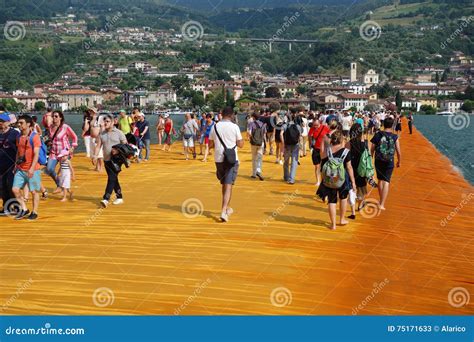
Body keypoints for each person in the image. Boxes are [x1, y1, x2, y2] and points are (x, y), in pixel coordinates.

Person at [209, 106, 244, 222]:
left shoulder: (215, 126)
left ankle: (227, 208)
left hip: (218, 158)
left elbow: (210, 144)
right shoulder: (234, 127)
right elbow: (240, 144)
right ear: (232, 115)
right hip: (231, 159)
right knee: (228, 185)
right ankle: (224, 211)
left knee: (224, 184)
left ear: (221, 114)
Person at [317, 130, 356, 230]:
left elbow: (322, 159)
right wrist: (353, 182)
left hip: (330, 179)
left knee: (332, 200)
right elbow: (349, 167)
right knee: (343, 198)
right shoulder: (346, 152)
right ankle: (342, 219)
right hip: (342, 179)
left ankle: (333, 224)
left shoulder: (327, 151)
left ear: (332, 140)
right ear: (341, 140)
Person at [12, 115, 42, 220]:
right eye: (18, 123)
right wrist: (16, 165)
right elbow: (18, 152)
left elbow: (36, 154)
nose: (19, 125)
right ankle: (24, 209)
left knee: (34, 191)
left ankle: (35, 211)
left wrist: (32, 168)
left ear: (28, 124)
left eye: (21, 123)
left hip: (33, 169)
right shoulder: (19, 137)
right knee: (15, 189)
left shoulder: (35, 136)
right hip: (20, 168)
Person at [93, 114, 127, 208]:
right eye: (104, 121)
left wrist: (117, 150)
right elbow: (98, 146)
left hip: (117, 160)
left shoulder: (119, 133)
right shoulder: (102, 134)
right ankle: (119, 197)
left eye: (107, 121)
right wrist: (95, 156)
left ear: (113, 122)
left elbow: (125, 145)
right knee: (113, 178)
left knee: (111, 178)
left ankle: (106, 198)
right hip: (106, 159)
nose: (105, 123)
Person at [370, 116, 401, 210]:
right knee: (386, 181)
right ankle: (382, 204)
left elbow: (372, 148)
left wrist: (370, 159)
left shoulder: (378, 134)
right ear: (392, 126)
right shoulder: (395, 136)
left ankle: (380, 199)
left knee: (380, 180)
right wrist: (399, 161)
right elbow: (398, 151)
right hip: (389, 161)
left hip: (378, 160)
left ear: (383, 125)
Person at [45, 110, 78, 194]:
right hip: (54, 152)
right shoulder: (51, 127)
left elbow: (74, 137)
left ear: (60, 117)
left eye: (56, 116)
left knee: (64, 171)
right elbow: (50, 138)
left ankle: (65, 189)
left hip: (64, 152)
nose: (54, 118)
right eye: (53, 116)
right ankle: (59, 184)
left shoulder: (65, 127)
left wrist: (72, 147)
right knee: (49, 169)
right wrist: (49, 142)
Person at [0, 112, 20, 216]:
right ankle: (6, 207)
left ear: (8, 122)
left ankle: (16, 206)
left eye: (2, 122)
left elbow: (20, 148)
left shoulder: (15, 134)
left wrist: (18, 163)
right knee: (2, 186)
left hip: (12, 165)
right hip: (1, 165)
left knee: (11, 186)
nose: (0, 124)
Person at [347, 123, 368, 219]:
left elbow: (345, 157)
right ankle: (360, 205)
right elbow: (368, 158)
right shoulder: (365, 143)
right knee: (362, 188)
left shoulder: (349, 143)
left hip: (351, 168)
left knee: (352, 189)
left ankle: (352, 212)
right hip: (362, 169)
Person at [308, 117, 330, 186]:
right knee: (317, 166)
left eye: (317, 125)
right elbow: (309, 136)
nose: (315, 127)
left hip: (324, 149)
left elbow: (330, 136)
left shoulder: (325, 128)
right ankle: (318, 181)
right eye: (314, 125)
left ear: (320, 123)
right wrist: (310, 145)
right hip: (316, 149)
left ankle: (324, 180)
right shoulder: (312, 128)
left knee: (324, 166)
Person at [281, 109, 300, 185]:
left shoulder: (285, 125)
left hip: (287, 145)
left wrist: (283, 143)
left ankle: (286, 176)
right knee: (294, 162)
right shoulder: (298, 126)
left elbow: (281, 134)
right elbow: (300, 136)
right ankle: (292, 179)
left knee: (286, 161)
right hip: (296, 145)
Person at [248, 111, 266, 181]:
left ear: (253, 117)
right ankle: (259, 171)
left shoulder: (251, 124)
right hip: (260, 143)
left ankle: (254, 173)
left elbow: (249, 133)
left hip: (253, 143)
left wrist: (252, 138)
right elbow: (264, 134)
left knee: (254, 158)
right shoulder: (263, 124)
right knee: (259, 158)